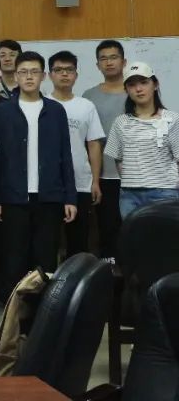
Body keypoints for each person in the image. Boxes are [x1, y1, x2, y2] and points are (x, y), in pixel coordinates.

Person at [0, 51, 77, 302]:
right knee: (14, 258)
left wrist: (70, 197)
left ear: (43, 76)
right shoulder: (2, 111)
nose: (29, 77)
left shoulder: (56, 110)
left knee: (46, 258)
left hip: (49, 196)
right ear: (15, 76)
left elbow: (65, 155)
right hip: (13, 197)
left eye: (34, 72)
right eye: (23, 72)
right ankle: (14, 310)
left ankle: (42, 311)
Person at [46, 51, 105, 257]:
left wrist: (95, 181)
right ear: (50, 75)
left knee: (78, 241)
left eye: (69, 70)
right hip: (49, 185)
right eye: (58, 70)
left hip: (81, 182)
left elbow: (94, 144)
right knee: (48, 241)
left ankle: (76, 278)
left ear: (76, 75)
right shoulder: (42, 104)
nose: (64, 74)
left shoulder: (86, 106)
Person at [104, 62, 179, 218]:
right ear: (126, 89)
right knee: (133, 234)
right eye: (132, 85)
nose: (138, 89)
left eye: (144, 82)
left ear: (155, 84)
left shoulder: (173, 119)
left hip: (165, 193)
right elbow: (118, 159)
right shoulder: (121, 122)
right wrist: (132, 181)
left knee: (163, 234)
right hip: (130, 195)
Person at [83, 40, 128, 260]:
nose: (109, 62)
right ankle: (110, 274)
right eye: (104, 58)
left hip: (134, 175)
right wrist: (93, 179)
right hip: (102, 176)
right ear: (97, 65)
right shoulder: (89, 96)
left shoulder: (137, 90)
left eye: (114, 57)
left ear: (124, 62)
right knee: (107, 229)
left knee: (134, 229)